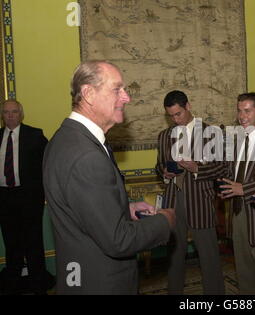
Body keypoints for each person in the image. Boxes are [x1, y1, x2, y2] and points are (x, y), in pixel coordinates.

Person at [43, 60, 175, 295]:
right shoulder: (86, 156)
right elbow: (118, 241)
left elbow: (84, 207)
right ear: (88, 93)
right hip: (101, 282)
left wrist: (125, 207)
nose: (126, 98)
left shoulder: (67, 139)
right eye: (117, 89)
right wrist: (164, 221)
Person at [197, 92, 255, 294]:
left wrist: (244, 189)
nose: (242, 116)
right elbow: (228, 171)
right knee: (245, 275)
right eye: (239, 110)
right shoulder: (235, 140)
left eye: (247, 111)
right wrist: (225, 189)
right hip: (238, 214)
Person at [156, 90, 225, 295]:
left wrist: (197, 169)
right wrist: (165, 172)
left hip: (199, 201)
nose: (175, 119)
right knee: (174, 258)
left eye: (178, 114)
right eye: (171, 116)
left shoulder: (211, 133)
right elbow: (158, 167)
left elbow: (222, 168)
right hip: (172, 201)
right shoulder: (164, 136)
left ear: (188, 106)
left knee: (209, 257)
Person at [0, 100, 53, 295]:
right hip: (4, 198)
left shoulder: (35, 135)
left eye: (14, 112)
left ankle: (39, 285)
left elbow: (49, 163)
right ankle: (12, 284)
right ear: (2, 115)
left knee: (33, 243)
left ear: (21, 114)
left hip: (29, 198)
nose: (10, 115)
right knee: (11, 243)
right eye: (6, 112)